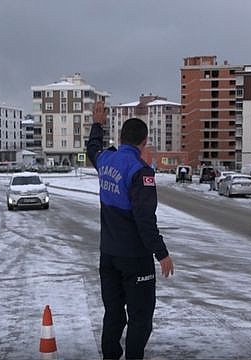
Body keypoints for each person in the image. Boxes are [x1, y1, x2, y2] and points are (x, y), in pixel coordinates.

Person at [87, 102, 174, 360]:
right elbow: (144, 219)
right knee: (140, 317)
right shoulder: (140, 172)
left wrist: (97, 123)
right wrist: (162, 253)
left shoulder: (106, 160)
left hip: (109, 256)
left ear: (120, 138)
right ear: (144, 142)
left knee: (113, 313)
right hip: (135, 259)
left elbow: (92, 149)